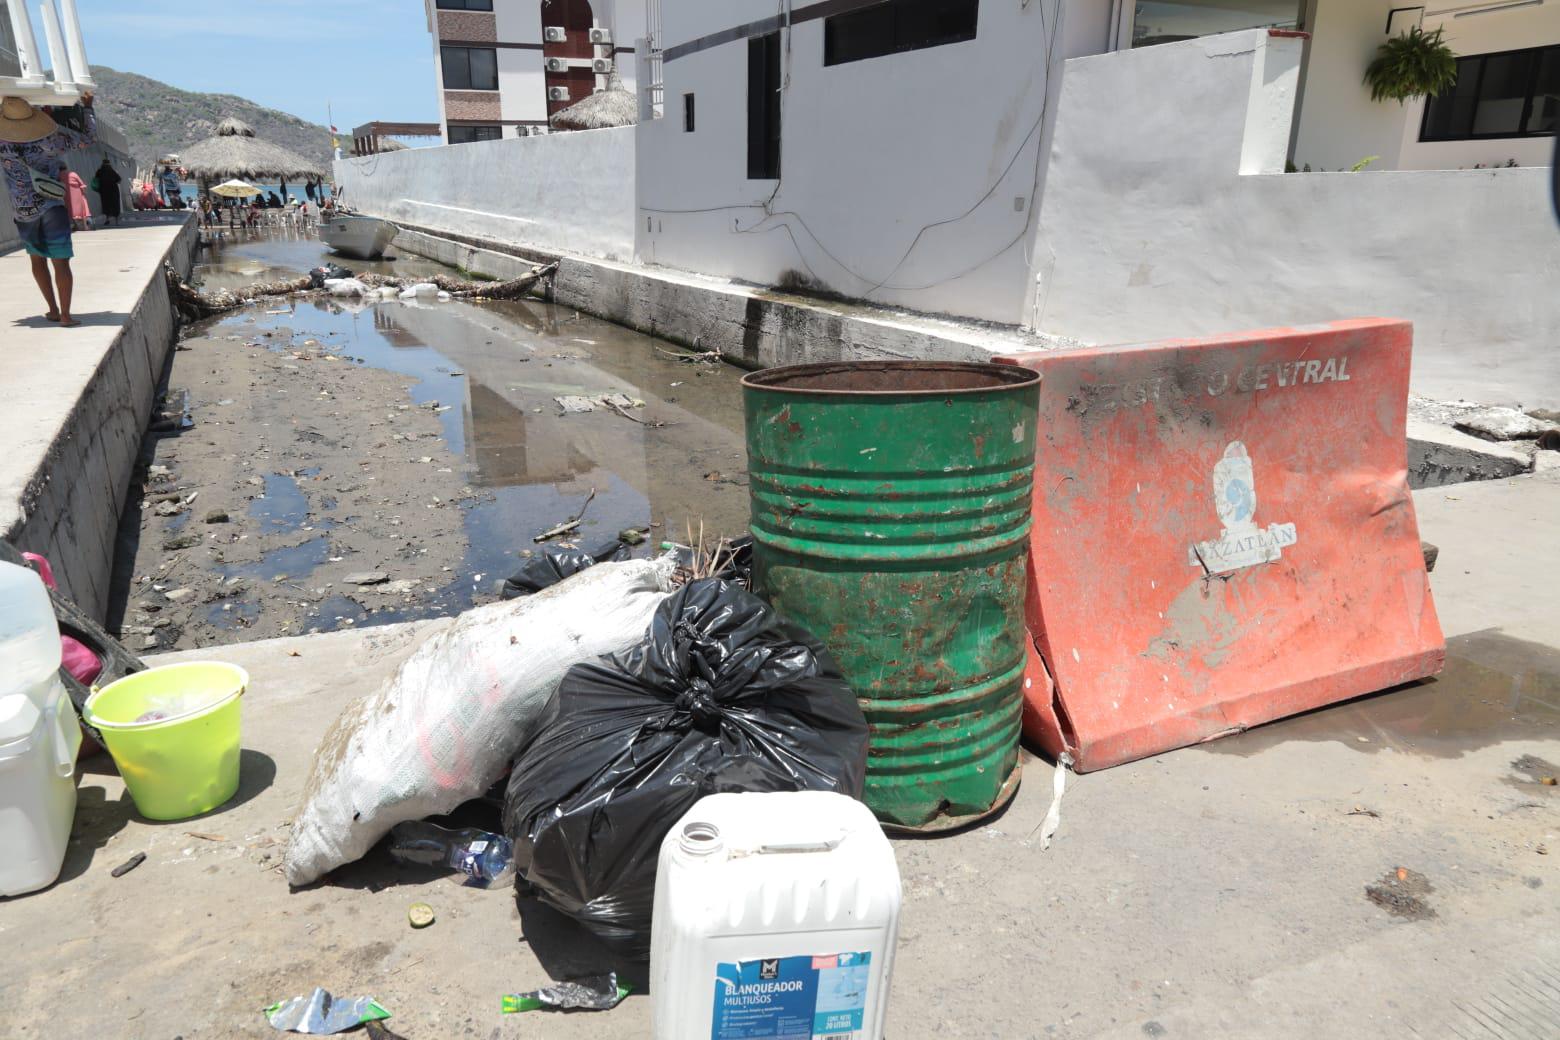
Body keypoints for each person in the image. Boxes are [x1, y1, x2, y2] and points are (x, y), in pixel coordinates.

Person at [0, 92, 97, 327]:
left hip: (23, 210)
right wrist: (87, 108)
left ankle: (52, 309)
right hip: (51, 204)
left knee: (37, 260)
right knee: (61, 262)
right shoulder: (51, 139)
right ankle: (65, 315)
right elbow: (88, 139)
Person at [93, 157, 121, 225]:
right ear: (109, 164)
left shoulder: (99, 171)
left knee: (106, 205)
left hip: (104, 190)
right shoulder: (112, 171)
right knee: (115, 204)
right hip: (114, 190)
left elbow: (96, 179)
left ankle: (107, 219)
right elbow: (119, 179)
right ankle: (117, 220)